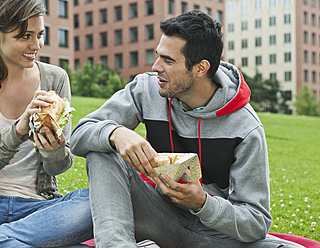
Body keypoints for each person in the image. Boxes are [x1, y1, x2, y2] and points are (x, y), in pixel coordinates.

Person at [70, 10, 304, 248]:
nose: (156, 66)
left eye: (168, 61)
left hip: (215, 234)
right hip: (157, 217)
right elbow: (79, 134)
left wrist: (202, 202)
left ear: (200, 68)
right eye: (158, 56)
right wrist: (116, 134)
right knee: (102, 146)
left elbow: (256, 222)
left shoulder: (246, 128)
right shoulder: (145, 89)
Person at [0, 0, 92, 247]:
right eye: (25, 36)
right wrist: (18, 130)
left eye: (40, 35)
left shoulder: (55, 78)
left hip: (39, 207)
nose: (35, 45)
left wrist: (53, 149)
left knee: (95, 201)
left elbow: (59, 167)